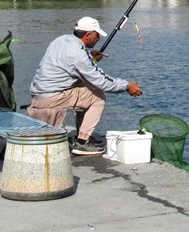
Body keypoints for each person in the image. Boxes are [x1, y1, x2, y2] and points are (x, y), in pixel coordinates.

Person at [28, 16, 143, 156]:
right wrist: (126, 86)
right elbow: (101, 81)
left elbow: (70, 63)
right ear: (88, 35)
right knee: (97, 95)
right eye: (97, 35)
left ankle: (82, 135)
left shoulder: (62, 40)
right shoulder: (77, 54)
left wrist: (90, 56)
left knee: (87, 90)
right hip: (50, 97)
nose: (98, 39)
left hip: (39, 93)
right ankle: (82, 142)